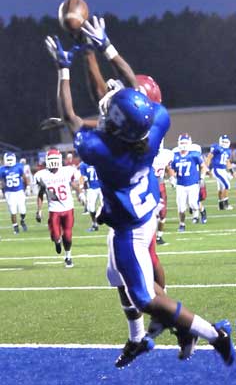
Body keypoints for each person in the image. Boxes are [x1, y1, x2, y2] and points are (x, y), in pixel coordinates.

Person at [44, 34, 235, 369]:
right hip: (145, 212)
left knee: (145, 297)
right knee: (119, 277)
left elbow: (73, 117)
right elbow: (126, 92)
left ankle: (209, 333)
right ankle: (139, 337)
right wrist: (104, 47)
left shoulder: (103, 152)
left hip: (129, 228)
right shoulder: (156, 124)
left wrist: (64, 68)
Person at [34, 148, 79, 268]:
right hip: (54, 210)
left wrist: (81, 194)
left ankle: (68, 256)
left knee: (68, 235)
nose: (53, 163)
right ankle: (57, 241)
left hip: (68, 208)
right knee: (55, 235)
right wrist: (39, 210)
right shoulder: (42, 175)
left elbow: (74, 184)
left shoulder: (68, 171)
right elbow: (41, 193)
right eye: (51, 160)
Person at [169, 133, 208, 232]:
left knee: (193, 204)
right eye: (181, 142)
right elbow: (171, 169)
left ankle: (202, 211)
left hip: (193, 183)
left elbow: (203, 166)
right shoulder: (175, 155)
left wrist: (202, 177)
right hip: (180, 184)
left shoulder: (194, 154)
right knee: (181, 208)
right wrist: (172, 177)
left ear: (189, 143)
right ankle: (182, 224)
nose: (183, 144)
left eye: (185, 142)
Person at [0, 152, 29, 234]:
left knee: (23, 210)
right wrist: (2, 190)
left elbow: (24, 178)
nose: (9, 161)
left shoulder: (19, 167)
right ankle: (15, 227)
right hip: (9, 193)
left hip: (19, 191)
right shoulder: (2, 169)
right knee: (13, 211)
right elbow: (1, 181)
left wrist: (26, 188)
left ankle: (22, 220)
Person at [205, 134, 236, 210]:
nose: (225, 143)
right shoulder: (217, 148)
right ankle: (226, 205)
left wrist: (232, 172)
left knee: (221, 188)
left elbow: (228, 162)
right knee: (227, 185)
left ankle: (221, 205)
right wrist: (207, 169)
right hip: (217, 170)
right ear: (220, 142)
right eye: (223, 141)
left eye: (226, 142)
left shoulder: (228, 151)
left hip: (223, 170)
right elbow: (209, 157)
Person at [152, 140, 174, 244]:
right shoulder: (143, 153)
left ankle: (159, 237)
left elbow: (167, 168)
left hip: (160, 185)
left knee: (163, 213)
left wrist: (171, 178)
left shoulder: (165, 155)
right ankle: (149, 238)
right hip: (148, 186)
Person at [79, 161, 103, 231]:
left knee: (105, 206)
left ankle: (112, 224)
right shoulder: (83, 164)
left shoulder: (99, 160)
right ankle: (94, 224)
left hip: (102, 187)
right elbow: (82, 177)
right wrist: (81, 189)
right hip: (91, 188)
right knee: (91, 208)